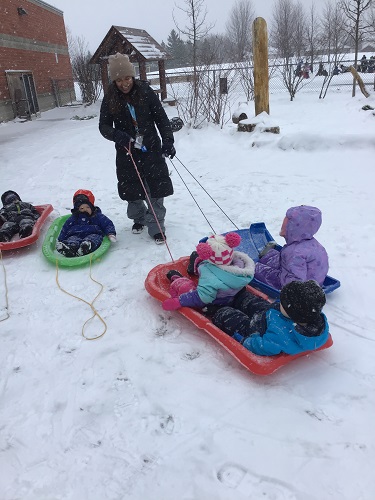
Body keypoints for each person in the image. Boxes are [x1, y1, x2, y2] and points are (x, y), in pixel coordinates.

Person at [99, 52, 175, 245]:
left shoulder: (145, 91)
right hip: (127, 151)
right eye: (119, 80)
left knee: (155, 189)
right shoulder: (110, 97)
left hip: (150, 148)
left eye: (127, 78)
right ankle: (138, 218)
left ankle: (157, 227)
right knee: (132, 189)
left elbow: (161, 119)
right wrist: (117, 135)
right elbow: (104, 126)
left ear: (132, 76)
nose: (124, 83)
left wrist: (168, 141)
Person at [210, 280, 329, 356]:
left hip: (257, 330)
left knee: (230, 317)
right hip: (270, 315)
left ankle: (217, 311)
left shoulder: (281, 339)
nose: (279, 302)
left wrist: (247, 340)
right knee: (254, 303)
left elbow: (260, 346)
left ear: (291, 311)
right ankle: (240, 297)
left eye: (283, 302)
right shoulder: (313, 317)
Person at [162, 233, 255, 311]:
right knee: (207, 267)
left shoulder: (210, 277)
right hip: (233, 294)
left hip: (216, 303)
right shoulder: (242, 265)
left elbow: (202, 297)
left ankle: (181, 279)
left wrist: (179, 301)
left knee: (187, 287)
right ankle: (198, 265)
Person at [254, 205, 329, 290]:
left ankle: (253, 266)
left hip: (295, 286)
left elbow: (296, 283)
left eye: (287, 223)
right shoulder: (312, 244)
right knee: (275, 255)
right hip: (312, 278)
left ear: (295, 228)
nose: (282, 225)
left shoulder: (294, 252)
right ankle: (265, 257)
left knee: (256, 269)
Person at [56, 190, 116, 257]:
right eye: (82, 208)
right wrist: (60, 239)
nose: (85, 209)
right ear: (78, 209)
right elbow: (66, 227)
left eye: (87, 207)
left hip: (93, 233)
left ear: (92, 207)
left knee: (94, 238)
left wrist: (111, 233)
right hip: (76, 234)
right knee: (72, 239)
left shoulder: (97, 216)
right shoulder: (74, 218)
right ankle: (70, 249)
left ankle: (86, 247)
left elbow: (107, 224)